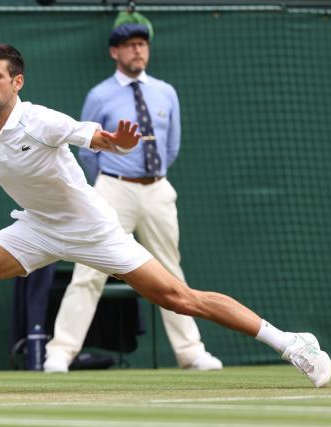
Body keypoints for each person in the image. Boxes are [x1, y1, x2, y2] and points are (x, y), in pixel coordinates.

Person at [0, 43, 331, 388]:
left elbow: (94, 135)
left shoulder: (41, 120)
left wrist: (115, 140)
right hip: (36, 228)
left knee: (180, 297)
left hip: (92, 228)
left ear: (17, 82)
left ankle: (290, 344)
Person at [44, 19, 222, 373]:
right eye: (129, 44)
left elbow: (171, 146)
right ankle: (60, 354)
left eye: (142, 43)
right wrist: (108, 185)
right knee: (89, 271)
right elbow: (87, 149)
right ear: (115, 51)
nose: (138, 49)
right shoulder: (99, 95)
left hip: (157, 188)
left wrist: (151, 179)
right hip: (112, 188)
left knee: (170, 273)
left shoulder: (166, 92)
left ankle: (190, 352)